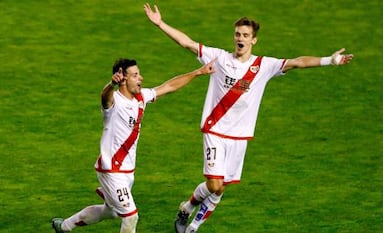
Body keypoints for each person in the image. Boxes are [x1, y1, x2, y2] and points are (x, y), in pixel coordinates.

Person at [144, 3, 354, 233]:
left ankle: (191, 220)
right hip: (215, 131)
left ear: (253, 40)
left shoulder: (264, 66)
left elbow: (297, 62)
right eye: (237, 34)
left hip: (240, 136)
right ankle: (188, 215)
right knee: (214, 183)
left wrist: (329, 60)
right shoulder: (219, 58)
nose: (240, 38)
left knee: (221, 188)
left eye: (245, 35)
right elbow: (187, 43)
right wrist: (160, 23)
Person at [51, 58, 215, 233]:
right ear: (123, 79)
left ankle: (65, 226)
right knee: (131, 217)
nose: (141, 78)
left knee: (111, 212)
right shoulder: (114, 102)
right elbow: (105, 97)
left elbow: (168, 87)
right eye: (135, 75)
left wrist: (198, 72)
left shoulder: (141, 97)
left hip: (127, 171)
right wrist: (111, 85)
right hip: (111, 170)